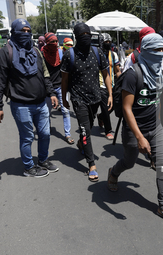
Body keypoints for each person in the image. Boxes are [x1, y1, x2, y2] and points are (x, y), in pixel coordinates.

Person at [107, 33, 163, 225]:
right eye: (157, 50)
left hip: (155, 128)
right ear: (146, 51)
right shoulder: (133, 74)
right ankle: (114, 173)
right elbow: (126, 108)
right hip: (134, 130)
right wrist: (140, 137)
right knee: (129, 162)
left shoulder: (158, 71)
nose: (161, 54)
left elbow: (156, 100)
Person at [0, 19, 59, 178]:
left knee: (45, 134)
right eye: (23, 31)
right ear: (14, 32)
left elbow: (45, 75)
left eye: (29, 31)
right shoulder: (5, 52)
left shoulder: (35, 51)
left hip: (41, 103)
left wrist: (52, 93)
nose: (26, 34)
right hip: (21, 105)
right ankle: (29, 166)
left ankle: (43, 160)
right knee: (27, 137)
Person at [61, 22, 112, 182]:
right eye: (82, 35)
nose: (85, 38)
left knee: (88, 126)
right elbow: (65, 79)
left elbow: (106, 74)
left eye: (87, 35)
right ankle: (91, 165)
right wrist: (64, 97)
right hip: (78, 98)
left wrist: (110, 94)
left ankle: (81, 143)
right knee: (85, 130)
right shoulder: (70, 54)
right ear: (76, 37)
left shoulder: (97, 52)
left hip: (95, 98)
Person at [42, 32, 73, 144]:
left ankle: (68, 134)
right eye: (52, 42)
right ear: (47, 43)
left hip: (60, 87)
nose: (55, 44)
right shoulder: (42, 54)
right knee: (46, 112)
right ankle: (46, 131)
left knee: (65, 110)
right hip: (47, 88)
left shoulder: (60, 53)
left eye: (56, 41)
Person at [97, 33, 121, 140]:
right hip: (100, 85)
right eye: (106, 42)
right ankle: (108, 130)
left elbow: (117, 70)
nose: (108, 44)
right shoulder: (96, 54)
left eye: (109, 42)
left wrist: (121, 81)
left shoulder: (113, 55)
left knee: (114, 105)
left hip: (112, 84)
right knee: (106, 107)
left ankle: (101, 116)